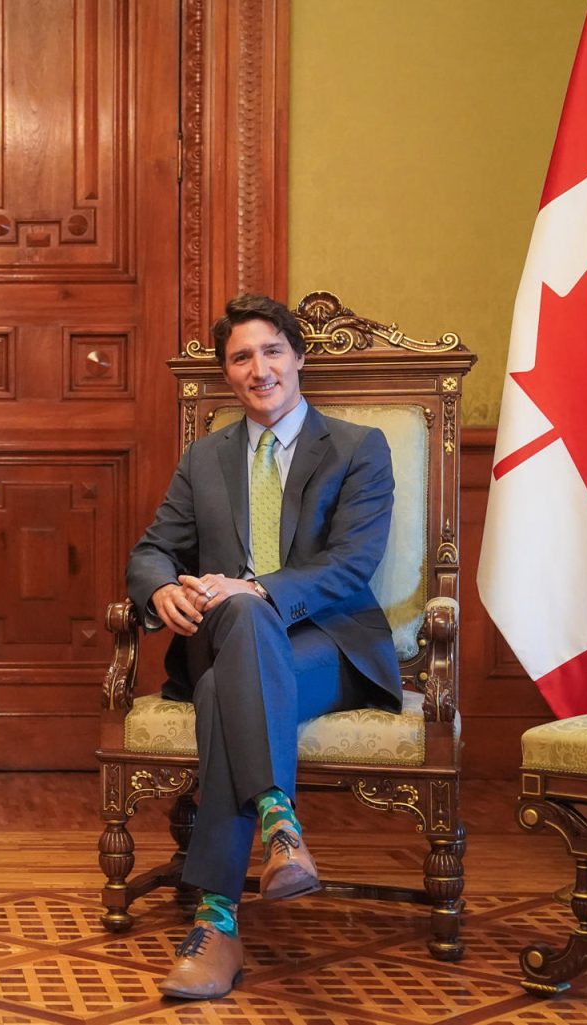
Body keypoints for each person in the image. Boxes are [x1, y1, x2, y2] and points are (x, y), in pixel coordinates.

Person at [126, 294, 401, 1000]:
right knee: (236, 643)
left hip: (327, 649)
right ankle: (279, 820)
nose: (260, 368)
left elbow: (350, 564)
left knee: (231, 667)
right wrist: (159, 591)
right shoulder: (205, 458)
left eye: (272, 350)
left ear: (298, 356)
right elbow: (154, 550)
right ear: (227, 374)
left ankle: (217, 919)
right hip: (230, 645)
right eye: (241, 357)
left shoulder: (358, 447)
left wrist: (255, 589)